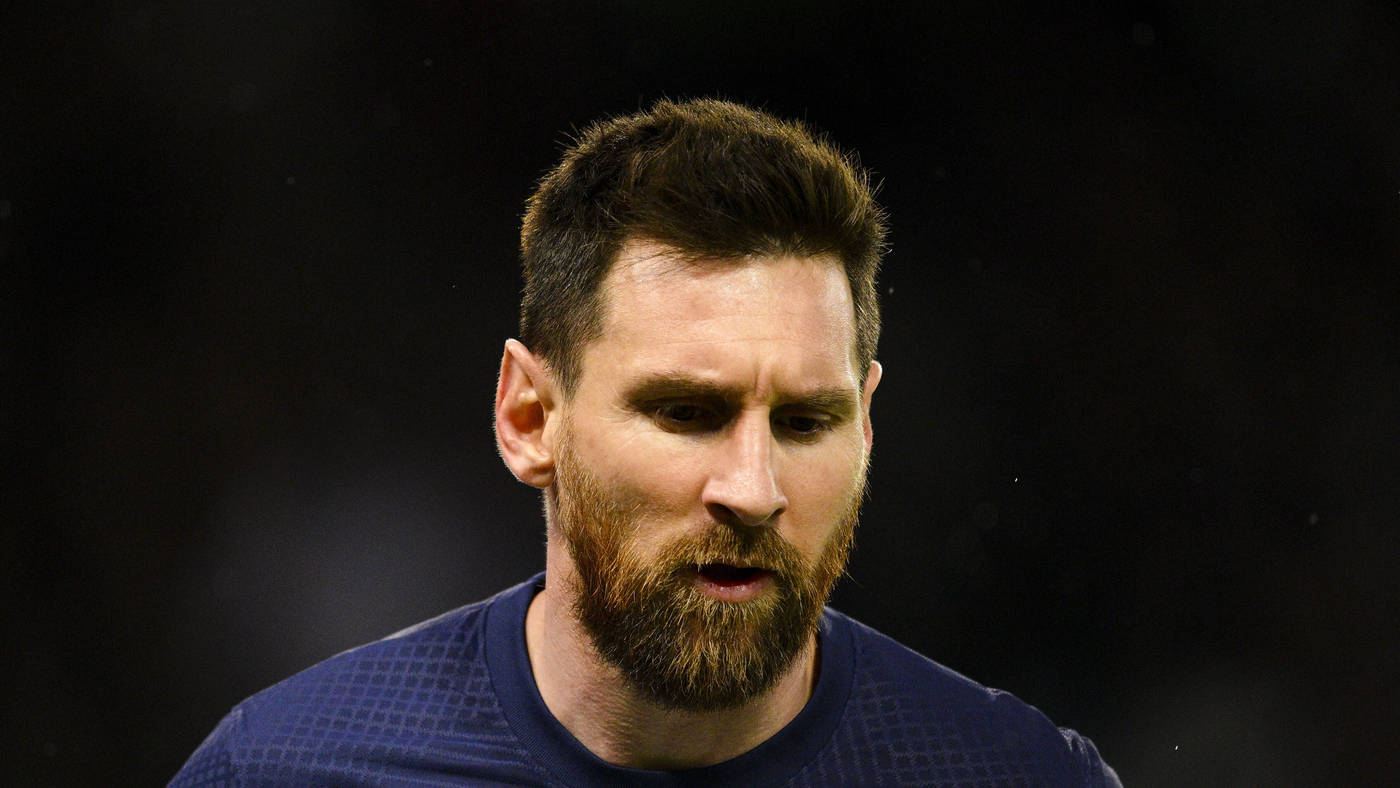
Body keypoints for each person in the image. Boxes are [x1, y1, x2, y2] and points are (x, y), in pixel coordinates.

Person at [171, 98, 1121, 787]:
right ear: (530, 419)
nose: (753, 489)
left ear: (867, 426)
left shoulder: (1014, 774)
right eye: (686, 413)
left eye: (805, 422)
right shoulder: (288, 771)